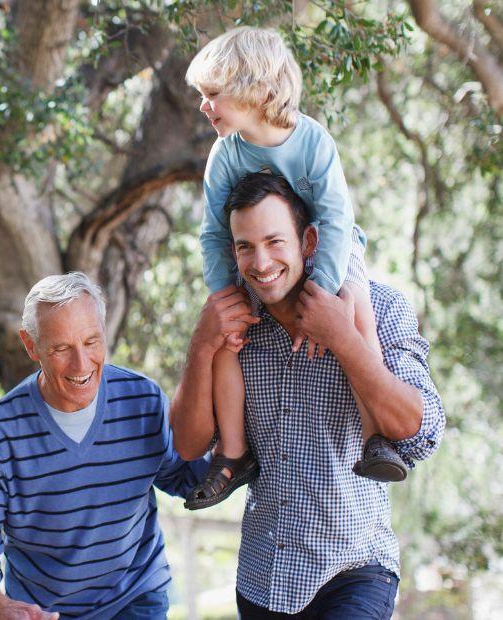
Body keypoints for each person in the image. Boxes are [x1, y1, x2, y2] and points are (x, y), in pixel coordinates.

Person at [170, 173, 446, 617]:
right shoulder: (231, 324)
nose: (260, 263)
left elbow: (421, 433)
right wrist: (201, 345)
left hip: (355, 571)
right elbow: (187, 444)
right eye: (245, 247)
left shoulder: (377, 309)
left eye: (275, 242)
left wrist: (345, 340)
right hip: (264, 577)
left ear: (310, 240)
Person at [183, 26, 406, 510]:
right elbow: (214, 233)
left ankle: (375, 438)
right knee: (226, 333)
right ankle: (233, 453)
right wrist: (226, 295)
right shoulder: (226, 154)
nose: (204, 106)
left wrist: (323, 295)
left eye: (212, 94)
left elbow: (337, 217)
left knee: (356, 307)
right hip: (264, 260)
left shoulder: (312, 142)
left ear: (256, 90)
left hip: (333, 247)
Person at [0, 272, 209, 620]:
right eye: (60, 348)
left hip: (135, 598)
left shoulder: (142, 400)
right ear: (30, 345)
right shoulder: (0, 433)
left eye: (91, 342)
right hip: (41, 611)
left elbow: (185, 479)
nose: (82, 365)